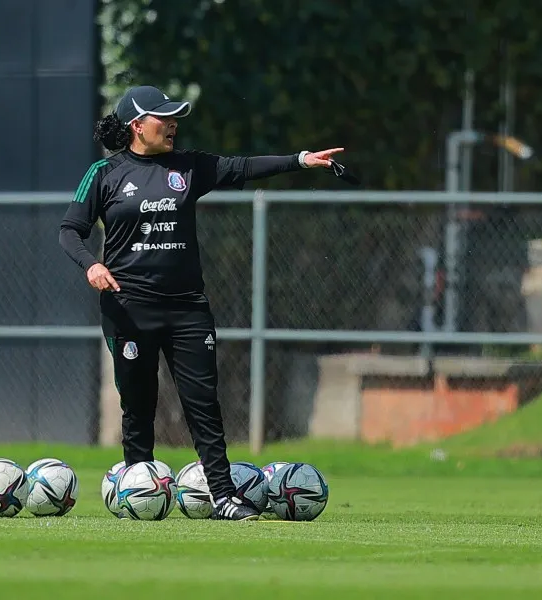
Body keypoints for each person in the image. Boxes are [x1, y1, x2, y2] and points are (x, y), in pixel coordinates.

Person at [59, 85, 344, 521]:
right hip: (128, 308)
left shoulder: (188, 167)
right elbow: (69, 230)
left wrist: (300, 159)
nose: (173, 124)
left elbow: (242, 167)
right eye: (163, 118)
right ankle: (139, 489)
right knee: (138, 403)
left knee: (202, 401)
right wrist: (90, 266)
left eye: (175, 118)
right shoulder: (104, 173)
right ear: (137, 125)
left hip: (187, 308)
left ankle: (224, 495)